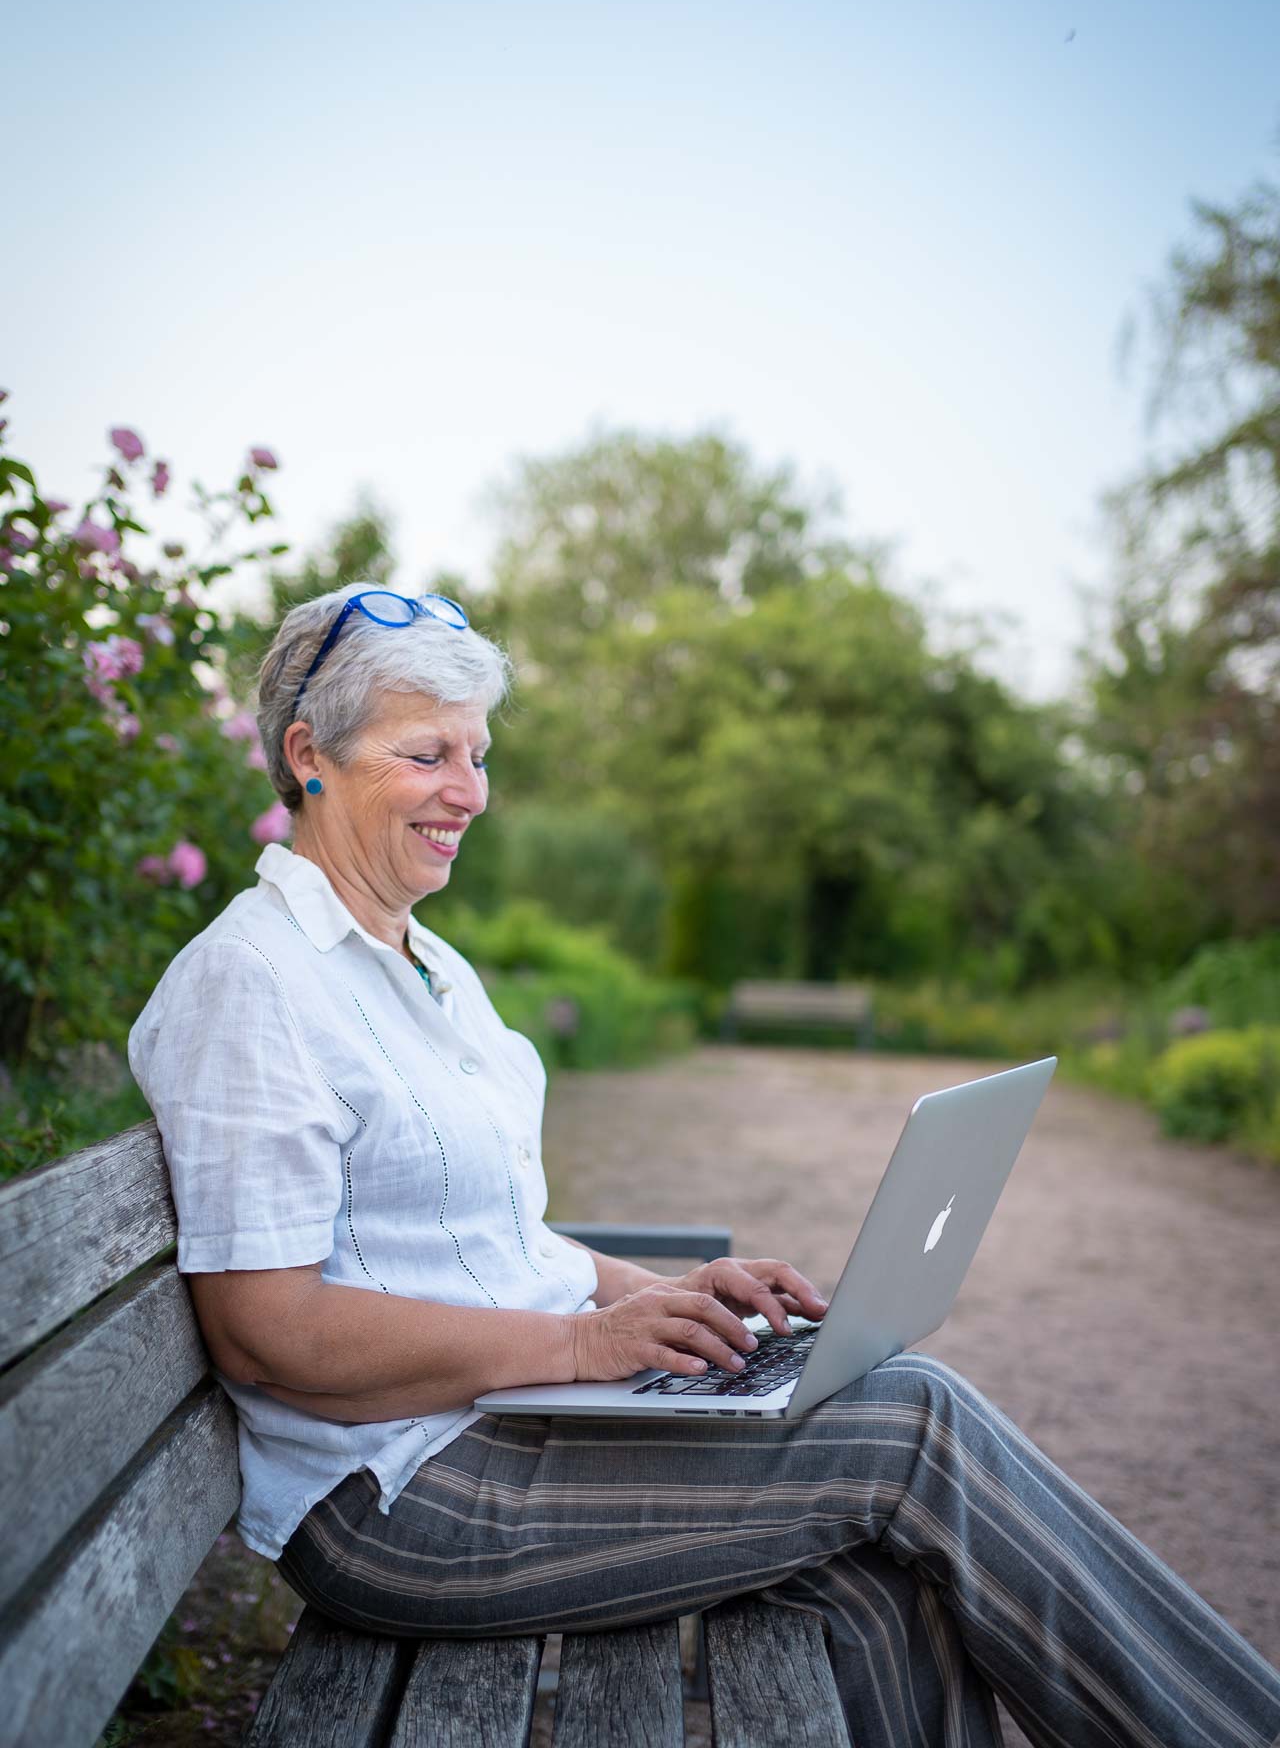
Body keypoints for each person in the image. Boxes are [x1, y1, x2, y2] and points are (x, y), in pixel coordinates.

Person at [129, 583, 1280, 1748]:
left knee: (870, 1582)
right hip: (403, 1497)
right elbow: (265, 1328)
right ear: (305, 754)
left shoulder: (428, 968)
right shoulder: (254, 983)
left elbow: (491, 1244)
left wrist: (653, 1299)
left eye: (476, 754)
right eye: (427, 753)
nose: (468, 793)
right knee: (910, 1427)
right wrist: (581, 1345)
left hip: (507, 1422)